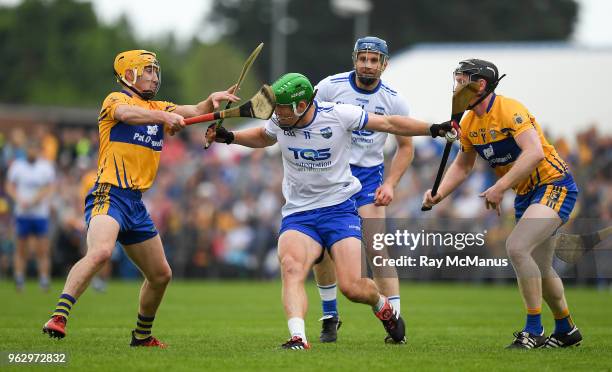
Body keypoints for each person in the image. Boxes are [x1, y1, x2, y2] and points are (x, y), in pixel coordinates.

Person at [207, 72, 452, 349]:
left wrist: (433, 128)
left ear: (301, 105)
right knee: (291, 267)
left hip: (339, 210)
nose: (277, 113)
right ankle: (298, 337)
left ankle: (382, 305)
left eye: (283, 108)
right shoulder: (280, 119)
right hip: (299, 214)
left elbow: (389, 122)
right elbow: (264, 137)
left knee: (353, 288)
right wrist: (230, 136)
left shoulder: (339, 115)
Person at [42, 49, 239, 347]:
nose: (154, 76)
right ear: (129, 73)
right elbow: (127, 115)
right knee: (101, 253)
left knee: (161, 275)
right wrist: (163, 116)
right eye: (147, 70)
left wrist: (207, 103)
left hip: (135, 203)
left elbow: (190, 111)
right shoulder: (115, 100)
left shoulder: (159, 106)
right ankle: (59, 316)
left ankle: (142, 336)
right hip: (109, 194)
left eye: (155, 71)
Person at [422, 59, 582, 349]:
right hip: (525, 194)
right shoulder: (469, 122)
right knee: (542, 269)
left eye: (462, 81)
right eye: (456, 80)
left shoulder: (510, 109)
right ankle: (567, 329)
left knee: (517, 248)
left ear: (481, 85)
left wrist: (499, 187)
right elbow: (463, 165)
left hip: (553, 183)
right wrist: (439, 193)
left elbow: (534, 153)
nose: (456, 87)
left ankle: (533, 330)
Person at [312, 36, 413, 343]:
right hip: (332, 176)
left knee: (377, 249)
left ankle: (393, 321)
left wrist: (390, 184)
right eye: (363, 58)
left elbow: (406, 147)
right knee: (322, 251)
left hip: (369, 179)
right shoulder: (330, 87)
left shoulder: (394, 100)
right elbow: (306, 122)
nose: (367, 65)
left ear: (385, 64)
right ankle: (330, 317)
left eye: (374, 60)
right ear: (354, 59)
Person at [6, 140, 56, 292]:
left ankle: (44, 280)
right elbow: (9, 186)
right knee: (21, 248)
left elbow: (50, 187)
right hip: (22, 213)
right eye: (30, 149)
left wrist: (36, 200)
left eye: (35, 149)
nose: (32, 152)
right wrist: (19, 199)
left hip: (40, 213)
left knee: (42, 249)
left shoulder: (45, 167)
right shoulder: (17, 166)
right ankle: (20, 278)